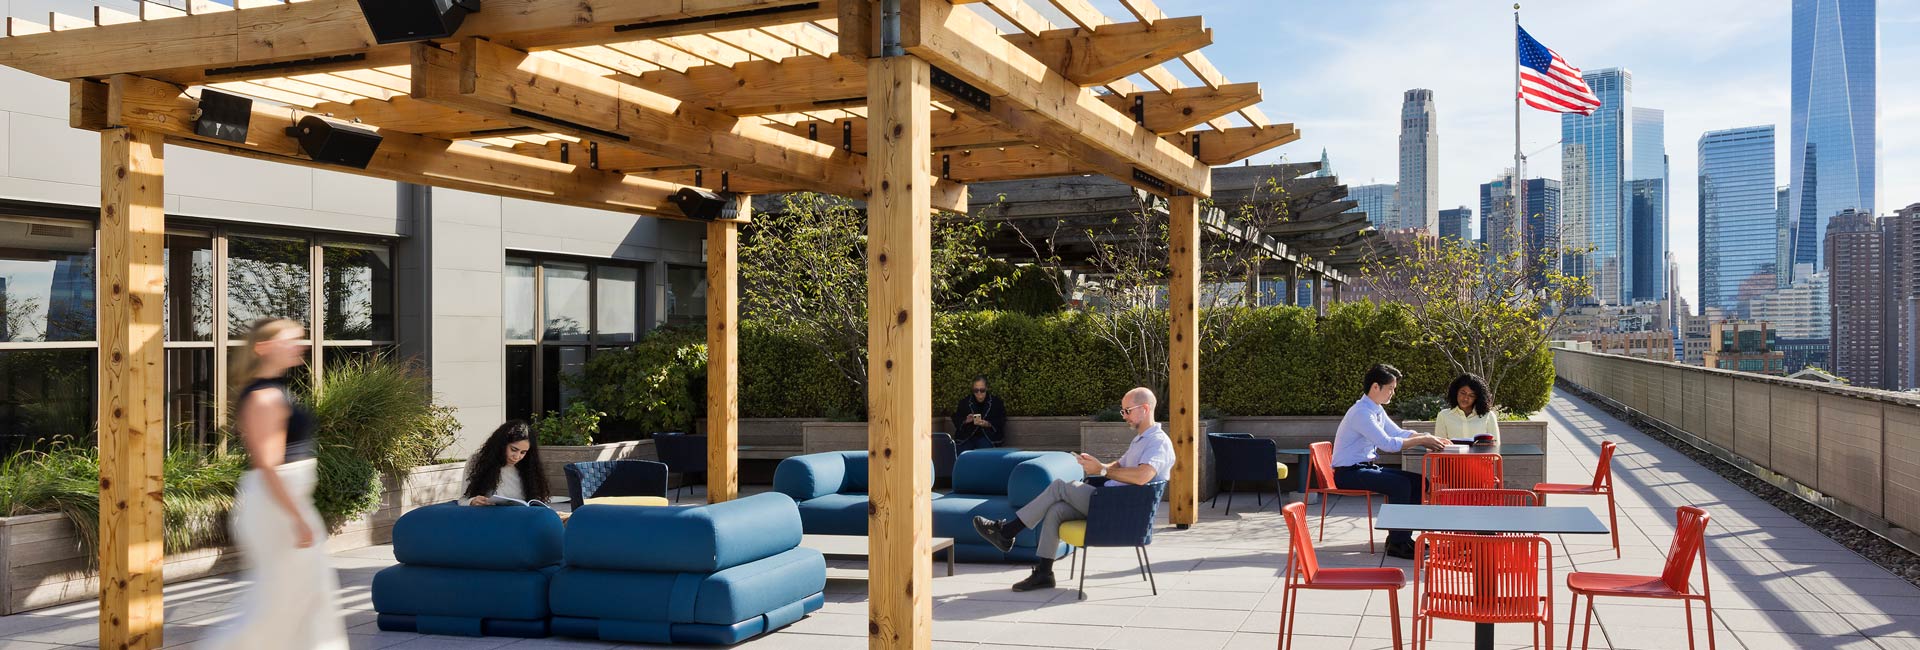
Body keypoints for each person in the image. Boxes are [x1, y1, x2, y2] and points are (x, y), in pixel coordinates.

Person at [204, 318, 347, 650]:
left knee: (306, 596)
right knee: (279, 605)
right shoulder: (264, 397)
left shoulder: (274, 390)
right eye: (292, 339)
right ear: (264, 347)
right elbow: (268, 465)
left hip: (285, 502)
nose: (302, 345)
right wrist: (296, 517)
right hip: (276, 506)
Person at [970, 387, 1173, 592]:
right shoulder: (1142, 439)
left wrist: (1101, 471)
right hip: (1111, 501)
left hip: (1120, 509)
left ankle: (1007, 531)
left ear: (1145, 409)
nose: (1124, 416)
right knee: (1056, 510)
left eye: (1127, 411)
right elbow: (1119, 467)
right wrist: (1096, 465)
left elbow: (1142, 476)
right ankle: (1044, 573)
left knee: (1059, 486)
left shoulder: (1158, 442)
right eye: (1123, 411)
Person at [1331, 363, 1451, 560]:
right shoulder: (1361, 413)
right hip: (1349, 473)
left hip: (1365, 468)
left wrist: (1428, 437)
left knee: (1418, 482)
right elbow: (1387, 443)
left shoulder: (1375, 409)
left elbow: (1397, 433)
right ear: (1376, 387)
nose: (1392, 393)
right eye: (1390, 389)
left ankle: (1403, 537)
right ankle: (1398, 543)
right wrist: (1422, 440)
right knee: (1401, 484)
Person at [460, 421, 552, 506]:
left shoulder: (528, 467)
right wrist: (472, 501)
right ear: (501, 445)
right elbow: (463, 500)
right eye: (513, 450)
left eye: (523, 452)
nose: (517, 456)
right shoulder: (478, 461)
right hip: (487, 518)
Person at [1435, 373, 1500, 442]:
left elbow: (1496, 444)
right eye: (1463, 393)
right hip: (1453, 453)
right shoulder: (1443, 415)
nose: (1466, 398)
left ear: (1477, 398)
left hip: (1481, 452)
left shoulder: (1489, 415)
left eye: (1471, 395)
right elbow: (1439, 446)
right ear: (1456, 392)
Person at [950, 375, 1007, 452]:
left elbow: (1001, 420)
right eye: (976, 390)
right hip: (968, 436)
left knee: (983, 452)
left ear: (986, 388)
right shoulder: (965, 402)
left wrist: (988, 424)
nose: (979, 393)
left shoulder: (996, 402)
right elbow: (956, 418)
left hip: (988, 436)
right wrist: (966, 420)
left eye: (982, 390)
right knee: (962, 451)